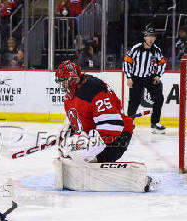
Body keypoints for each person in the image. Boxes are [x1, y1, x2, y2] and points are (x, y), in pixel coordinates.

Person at [54, 60, 157, 192]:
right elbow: (76, 118)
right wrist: (67, 131)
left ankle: (134, 180)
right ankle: (85, 160)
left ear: (74, 78)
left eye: (64, 80)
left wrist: (83, 148)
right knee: (67, 148)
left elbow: (111, 128)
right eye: (60, 80)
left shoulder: (95, 90)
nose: (62, 84)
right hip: (97, 134)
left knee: (76, 152)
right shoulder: (73, 93)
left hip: (117, 137)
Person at [123, 25, 167, 134]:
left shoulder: (156, 50)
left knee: (159, 98)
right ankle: (130, 121)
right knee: (134, 101)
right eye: (149, 36)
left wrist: (158, 75)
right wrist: (129, 77)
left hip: (149, 77)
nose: (151, 38)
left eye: (153, 36)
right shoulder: (136, 48)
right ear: (145, 37)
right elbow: (127, 62)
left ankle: (155, 123)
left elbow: (162, 63)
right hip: (136, 77)